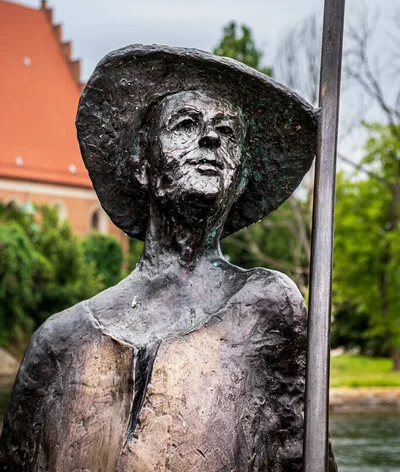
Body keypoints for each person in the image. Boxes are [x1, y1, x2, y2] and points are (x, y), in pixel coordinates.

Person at [0, 45, 335, 471]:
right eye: (185, 124)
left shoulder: (268, 307)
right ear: (141, 161)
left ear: (243, 175)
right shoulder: (58, 341)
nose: (210, 139)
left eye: (227, 132)